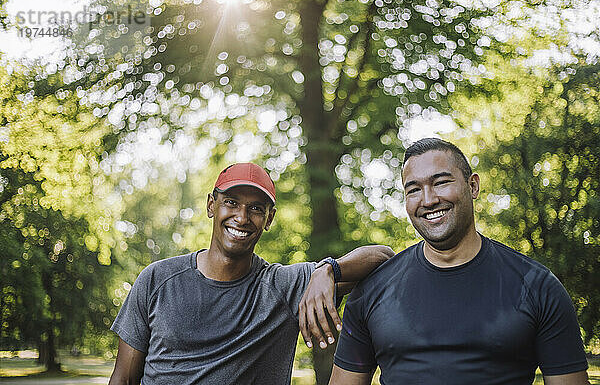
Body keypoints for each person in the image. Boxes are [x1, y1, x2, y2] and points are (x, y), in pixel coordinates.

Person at [330, 138, 590, 385]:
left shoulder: (537, 287)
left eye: (441, 182)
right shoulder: (371, 291)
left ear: (473, 186)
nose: (429, 200)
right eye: (414, 190)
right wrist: (325, 271)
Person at [108, 162, 394, 385]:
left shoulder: (283, 286)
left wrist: (329, 269)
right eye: (231, 202)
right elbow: (124, 378)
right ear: (212, 205)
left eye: (255, 208)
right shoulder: (157, 280)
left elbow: (383, 257)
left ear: (268, 218)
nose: (242, 217)